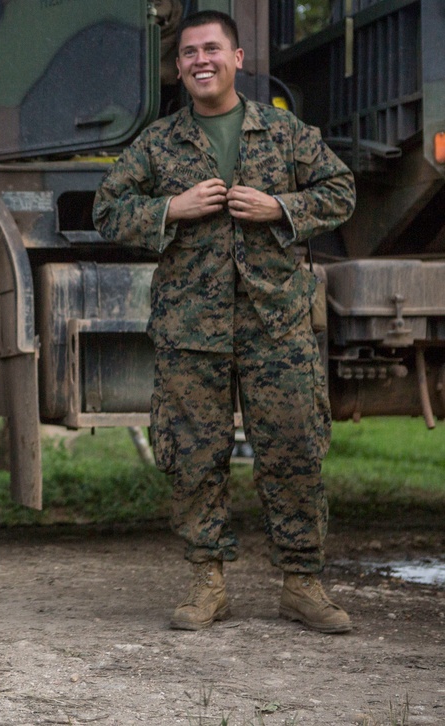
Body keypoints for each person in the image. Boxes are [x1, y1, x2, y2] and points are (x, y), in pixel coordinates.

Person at [92, 10, 356, 634]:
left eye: (212, 49)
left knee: (294, 448)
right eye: (188, 53)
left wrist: (281, 206)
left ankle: (302, 583)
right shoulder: (159, 143)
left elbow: (340, 189)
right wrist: (169, 209)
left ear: (238, 59)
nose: (200, 60)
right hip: (191, 329)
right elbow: (107, 209)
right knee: (194, 456)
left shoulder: (285, 133)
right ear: (178, 65)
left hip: (278, 325)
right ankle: (206, 582)